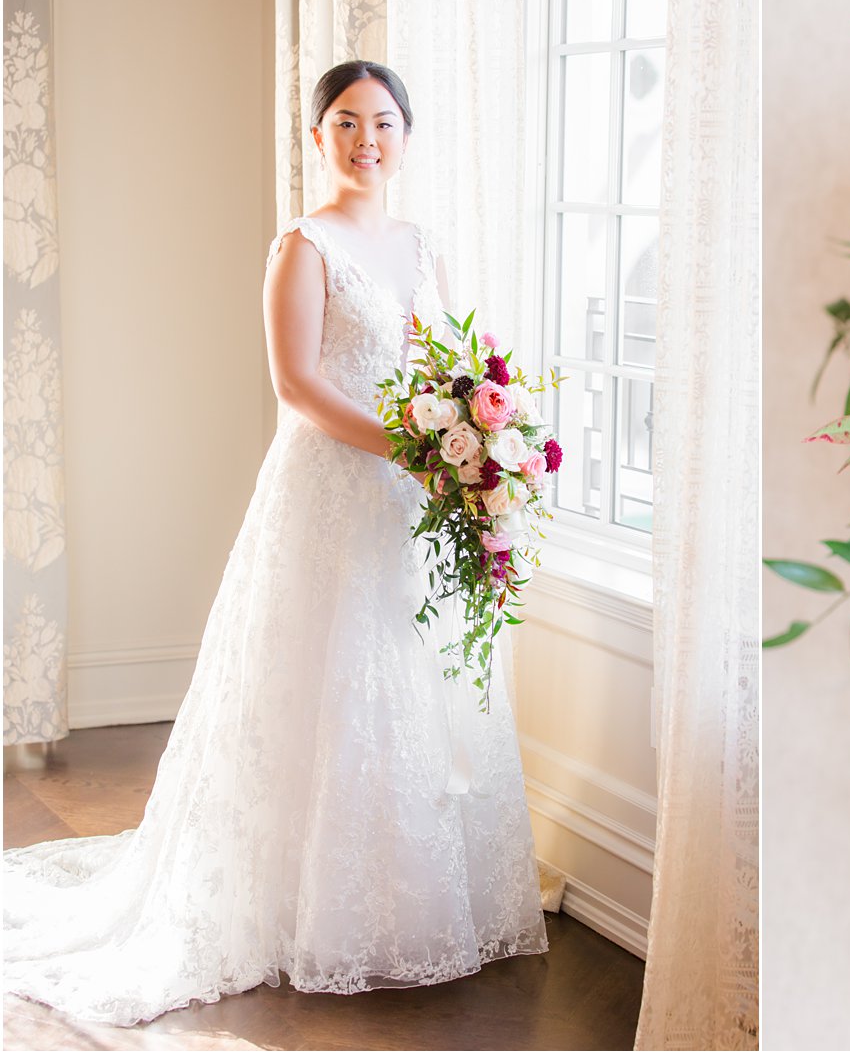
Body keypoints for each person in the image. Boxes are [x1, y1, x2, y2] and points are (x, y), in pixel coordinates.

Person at [3, 61, 548, 1026]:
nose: (366, 139)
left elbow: (450, 363)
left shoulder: (424, 247)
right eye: (346, 122)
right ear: (318, 137)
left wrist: (472, 443)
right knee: (327, 683)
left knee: (407, 683)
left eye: (383, 122)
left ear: (406, 137)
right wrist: (416, 447)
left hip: (413, 500)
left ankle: (409, 904)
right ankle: (305, 911)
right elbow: (297, 384)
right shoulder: (303, 246)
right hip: (332, 490)